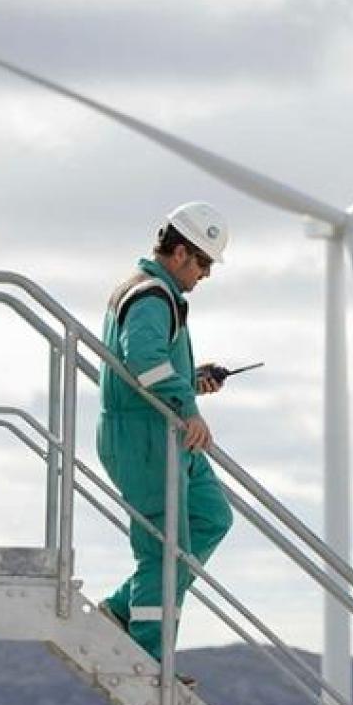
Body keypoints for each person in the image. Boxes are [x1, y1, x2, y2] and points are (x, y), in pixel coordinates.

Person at [97, 201, 234, 662]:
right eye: (204, 263)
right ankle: (146, 659)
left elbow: (151, 368)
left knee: (212, 516)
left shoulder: (154, 295)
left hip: (162, 432)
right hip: (145, 440)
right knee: (163, 550)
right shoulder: (152, 296)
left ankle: (120, 610)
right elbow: (143, 360)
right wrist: (188, 406)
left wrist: (193, 379)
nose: (206, 275)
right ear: (180, 253)